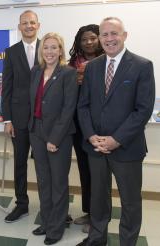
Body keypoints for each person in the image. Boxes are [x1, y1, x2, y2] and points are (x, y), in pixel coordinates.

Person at [77, 17, 155, 246]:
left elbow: (143, 110)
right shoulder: (92, 67)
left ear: (124, 35)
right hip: (95, 147)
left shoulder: (142, 65)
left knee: (130, 202)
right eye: (105, 34)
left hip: (127, 148)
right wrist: (91, 136)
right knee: (98, 199)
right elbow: (83, 105)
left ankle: (127, 242)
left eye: (114, 33)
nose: (109, 39)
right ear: (100, 38)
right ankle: (97, 238)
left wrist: (116, 139)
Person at [29, 33, 78, 245]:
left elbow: (68, 110)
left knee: (58, 183)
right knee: (43, 181)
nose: (49, 52)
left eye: (54, 47)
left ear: (60, 50)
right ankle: (47, 221)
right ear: (42, 51)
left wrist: (55, 138)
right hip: (36, 131)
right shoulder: (36, 71)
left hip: (59, 134)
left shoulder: (68, 73)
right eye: (46, 48)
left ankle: (57, 228)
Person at [2, 10, 40, 223]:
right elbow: (6, 88)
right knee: (20, 164)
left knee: (45, 164)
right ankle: (21, 205)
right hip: (18, 119)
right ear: (19, 26)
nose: (28, 26)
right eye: (24, 23)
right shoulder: (11, 52)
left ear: (38, 25)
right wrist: (7, 120)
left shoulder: (49, 48)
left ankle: (51, 206)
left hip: (44, 119)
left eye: (32, 22)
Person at [68, 24, 104, 233]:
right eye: (84, 39)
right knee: (84, 170)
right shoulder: (72, 64)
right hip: (78, 125)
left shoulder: (107, 61)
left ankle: (99, 217)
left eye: (93, 38)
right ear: (79, 42)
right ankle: (89, 211)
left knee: (99, 173)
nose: (89, 42)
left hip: (99, 126)